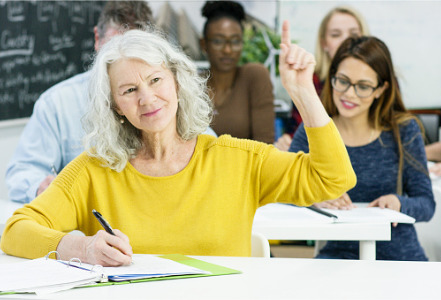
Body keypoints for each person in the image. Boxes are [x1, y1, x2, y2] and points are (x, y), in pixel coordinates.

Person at [1, 22, 356, 266]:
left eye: (156, 79)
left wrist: (304, 93)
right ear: (115, 107)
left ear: (177, 83)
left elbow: (333, 179)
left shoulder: (236, 159)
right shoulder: (94, 169)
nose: (147, 97)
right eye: (129, 90)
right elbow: (15, 231)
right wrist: (79, 246)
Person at [289, 36, 435, 261]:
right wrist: (313, 199)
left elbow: (426, 204)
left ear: (381, 89)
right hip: (339, 257)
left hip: (399, 257)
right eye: (343, 81)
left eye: (363, 87)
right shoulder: (314, 130)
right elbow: (281, 190)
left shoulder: (404, 131)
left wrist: (399, 203)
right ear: (332, 77)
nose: (349, 94)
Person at [4, 1, 157, 204]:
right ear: (97, 38)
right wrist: (41, 186)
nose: (121, 60)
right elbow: (22, 172)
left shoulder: (162, 99)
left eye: (134, 51)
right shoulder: (57, 103)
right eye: (112, 47)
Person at [275, 6, 369, 151]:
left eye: (354, 34)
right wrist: (288, 141)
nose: (346, 41)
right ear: (324, 43)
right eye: (336, 34)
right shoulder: (310, 79)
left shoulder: (383, 78)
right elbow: (298, 131)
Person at [200, 1, 275, 143]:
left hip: (248, 165)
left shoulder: (254, 76)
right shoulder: (192, 85)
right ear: (204, 44)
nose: (227, 50)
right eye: (218, 41)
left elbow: (264, 145)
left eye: (235, 42)